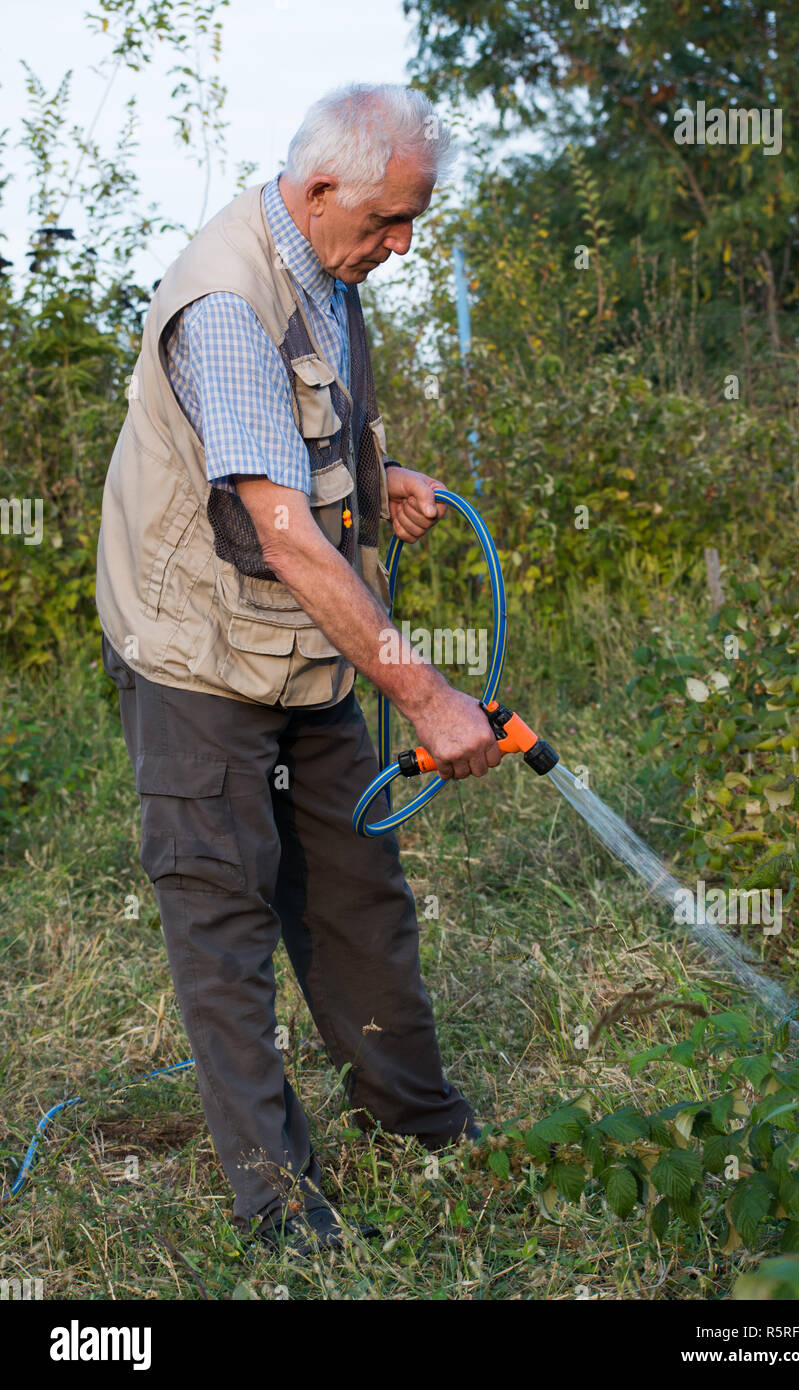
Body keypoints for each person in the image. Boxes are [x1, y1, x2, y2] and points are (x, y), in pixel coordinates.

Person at [95, 83, 501, 1255]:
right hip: (200, 653)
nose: (403, 244)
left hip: (307, 650)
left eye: (413, 219)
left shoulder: (325, 263)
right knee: (225, 925)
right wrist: (427, 695)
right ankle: (279, 1209)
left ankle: (421, 1127)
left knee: (356, 893)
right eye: (388, 220)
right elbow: (278, 529)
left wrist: (385, 480)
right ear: (321, 190)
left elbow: (294, 442)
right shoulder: (225, 301)